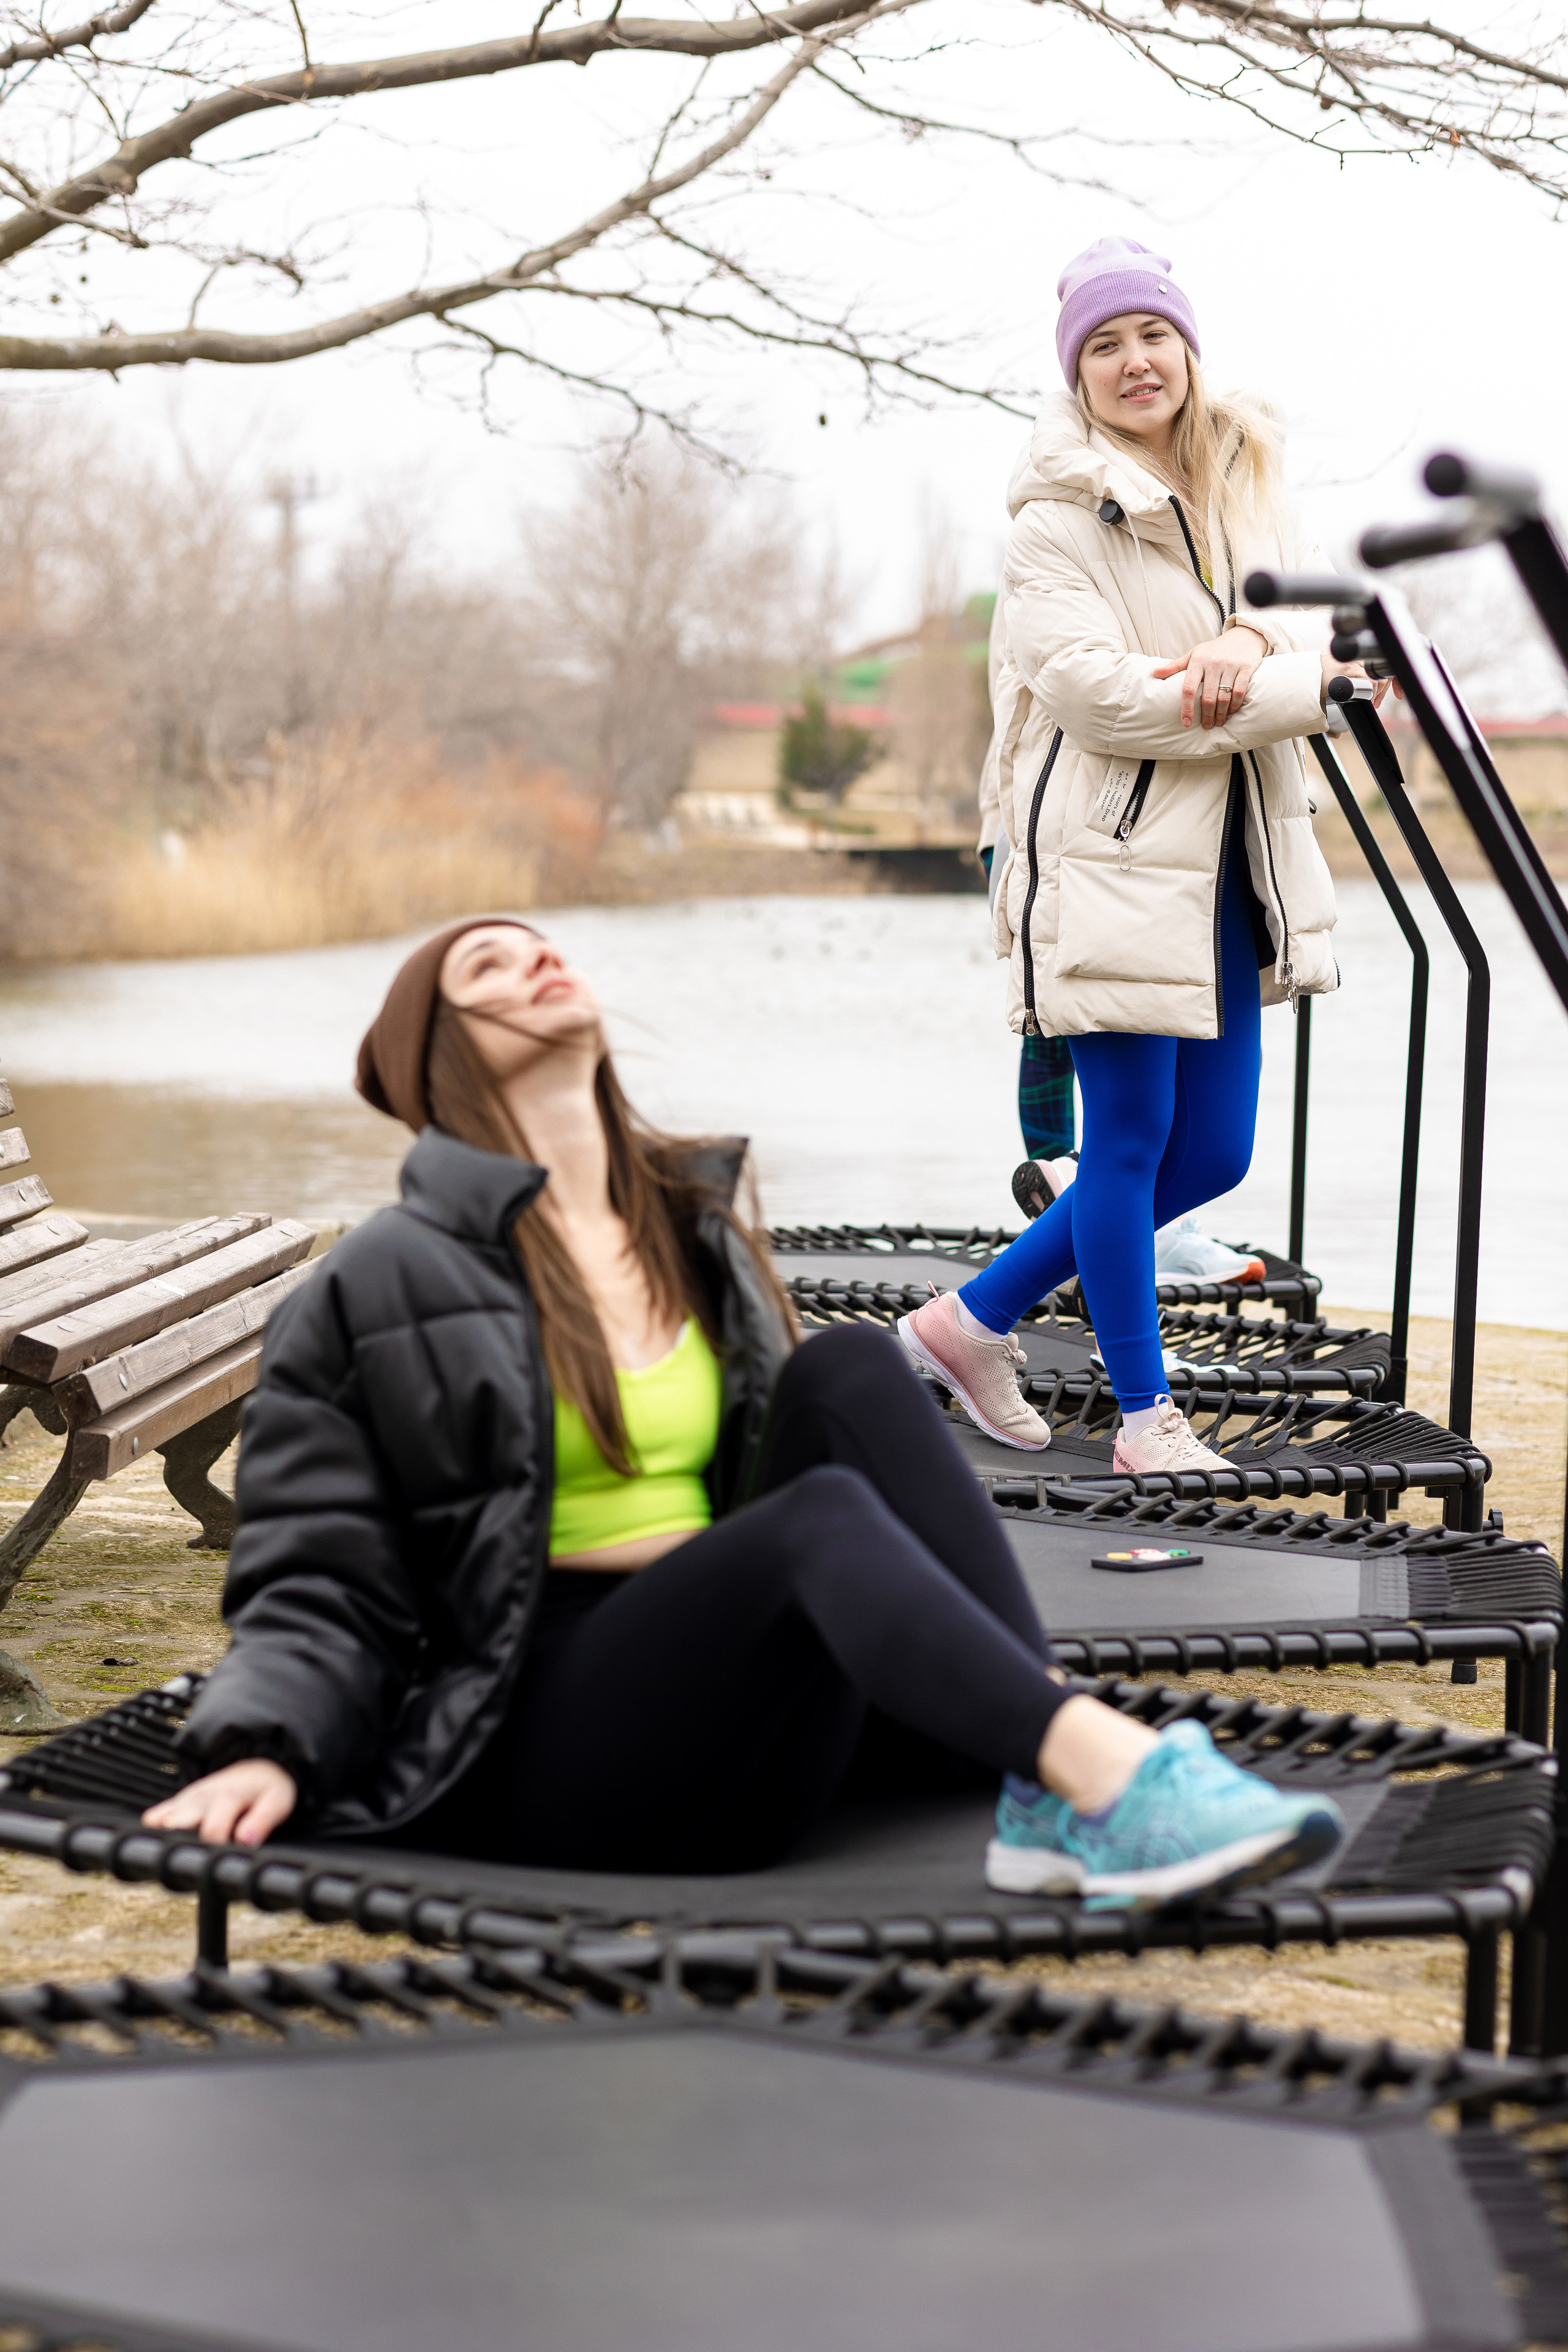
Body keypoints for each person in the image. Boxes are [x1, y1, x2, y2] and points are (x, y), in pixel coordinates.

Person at [143, 915, 1341, 1904]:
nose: (534, 961)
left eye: (537, 945)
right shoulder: (377, 1279)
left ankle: (1046, 1785)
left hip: (746, 1700)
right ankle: (1101, 1771)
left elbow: (783, 1467)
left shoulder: (687, 1225)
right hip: (568, 1740)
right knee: (813, 1518)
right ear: (439, 1051)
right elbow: (316, 1574)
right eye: (486, 969)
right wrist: (263, 1742)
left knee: (854, 1372)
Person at [904, 235, 1382, 1475]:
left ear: (1186, 345)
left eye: (1149, 335)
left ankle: (970, 1319)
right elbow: (1105, 699)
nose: (1132, 362)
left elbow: (1296, 616)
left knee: (1211, 1152)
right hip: (1106, 860)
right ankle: (1144, 1421)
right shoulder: (1053, 524)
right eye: (1102, 345)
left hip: (1228, 861)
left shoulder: (1240, 481)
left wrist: (1241, 637)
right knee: (1122, 1142)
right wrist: (1276, 681)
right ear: (1075, 375)